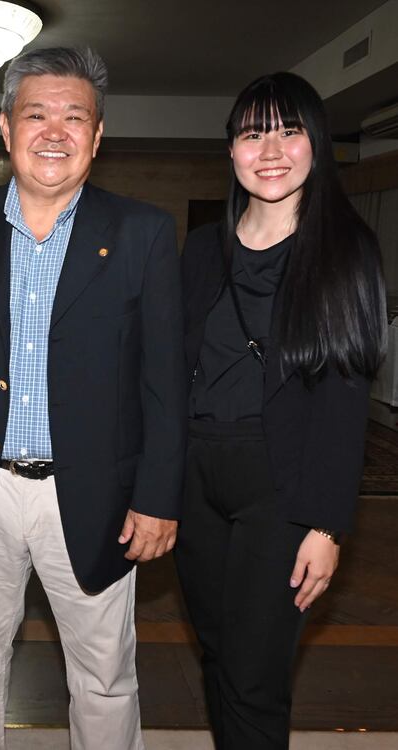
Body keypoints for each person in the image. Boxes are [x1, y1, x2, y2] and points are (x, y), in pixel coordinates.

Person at [0, 47, 187, 750]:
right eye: (37, 114)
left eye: (74, 116)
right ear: (4, 127)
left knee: (104, 673)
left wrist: (159, 495)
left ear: (97, 136)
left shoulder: (142, 233)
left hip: (94, 493)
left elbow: (165, 381)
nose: (54, 131)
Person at [175, 71, 386, 750]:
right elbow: (170, 369)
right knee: (218, 652)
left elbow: (345, 397)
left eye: (290, 130)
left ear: (317, 146)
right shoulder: (204, 248)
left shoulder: (345, 250)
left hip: (282, 488)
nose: (271, 149)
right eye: (252, 132)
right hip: (196, 478)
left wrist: (328, 524)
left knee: (256, 670)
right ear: (232, 150)